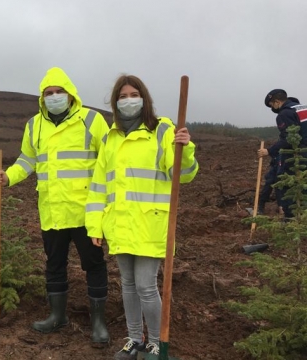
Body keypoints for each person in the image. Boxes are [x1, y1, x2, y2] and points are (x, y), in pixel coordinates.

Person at [0, 67, 111, 347]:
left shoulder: (92, 121)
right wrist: (8, 176)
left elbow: (109, 162)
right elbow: (27, 160)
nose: (54, 97)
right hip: (52, 211)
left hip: (86, 212)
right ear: (42, 98)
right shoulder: (34, 125)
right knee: (54, 265)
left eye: (59, 92)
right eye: (49, 93)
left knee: (93, 265)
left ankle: (99, 323)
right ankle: (57, 316)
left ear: (70, 96)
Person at [85, 75, 198, 359]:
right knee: (128, 286)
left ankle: (159, 345)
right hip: (120, 224)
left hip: (150, 224)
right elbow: (99, 187)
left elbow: (181, 175)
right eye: (122, 96)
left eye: (134, 94)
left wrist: (184, 150)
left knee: (147, 286)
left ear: (144, 98)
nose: (128, 100)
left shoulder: (162, 130)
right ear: (115, 102)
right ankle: (135, 339)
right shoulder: (110, 139)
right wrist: (94, 225)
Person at [258, 90, 307, 217]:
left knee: (285, 183)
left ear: (277, 102)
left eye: (271, 105)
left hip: (300, 153)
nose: (272, 108)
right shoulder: (302, 108)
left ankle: (290, 221)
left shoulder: (284, 114)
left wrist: (269, 151)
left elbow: (289, 138)